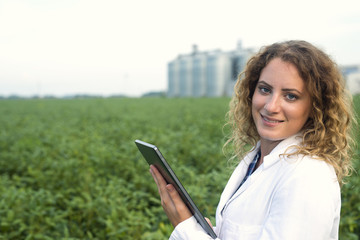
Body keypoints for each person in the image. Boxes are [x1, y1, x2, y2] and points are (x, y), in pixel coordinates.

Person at [150, 40, 356, 239]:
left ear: (315, 106)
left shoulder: (307, 176)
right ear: (251, 92)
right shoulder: (256, 159)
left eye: (290, 96)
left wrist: (186, 229)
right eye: (265, 89)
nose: (271, 106)